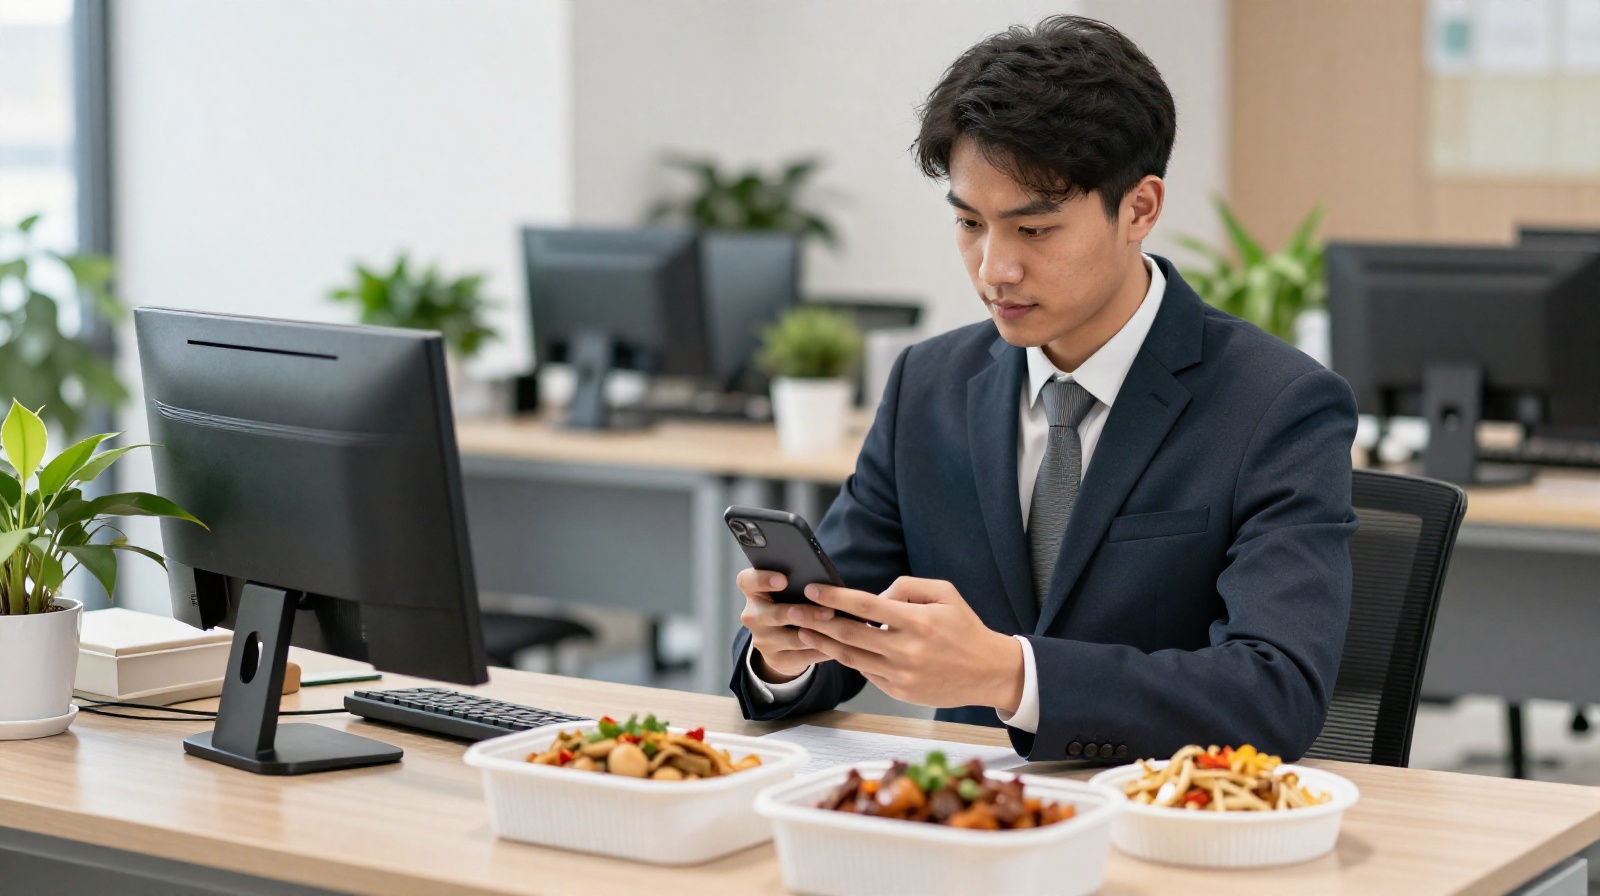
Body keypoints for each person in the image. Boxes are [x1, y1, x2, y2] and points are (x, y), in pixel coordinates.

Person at [729, 15, 1357, 762]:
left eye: (1034, 231)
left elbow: (1273, 692)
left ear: (1141, 208)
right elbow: (837, 623)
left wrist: (1011, 675)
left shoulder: (1277, 403)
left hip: (1160, 831)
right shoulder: (928, 386)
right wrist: (784, 656)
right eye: (969, 222)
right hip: (963, 829)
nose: (995, 267)